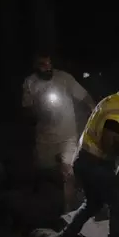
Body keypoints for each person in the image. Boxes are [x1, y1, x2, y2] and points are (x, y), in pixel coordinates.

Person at [47, 83, 119, 237]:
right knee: (118, 204)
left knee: (93, 204)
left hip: (84, 160)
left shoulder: (113, 101)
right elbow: (107, 143)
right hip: (93, 164)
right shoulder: (115, 114)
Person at [22, 52, 95, 211]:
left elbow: (84, 96)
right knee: (43, 170)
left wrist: (94, 111)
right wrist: (40, 111)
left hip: (67, 135)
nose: (47, 68)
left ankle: (68, 210)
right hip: (45, 137)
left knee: (69, 172)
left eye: (49, 64)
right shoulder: (30, 83)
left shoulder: (64, 78)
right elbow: (27, 109)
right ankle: (42, 204)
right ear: (35, 66)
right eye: (42, 64)